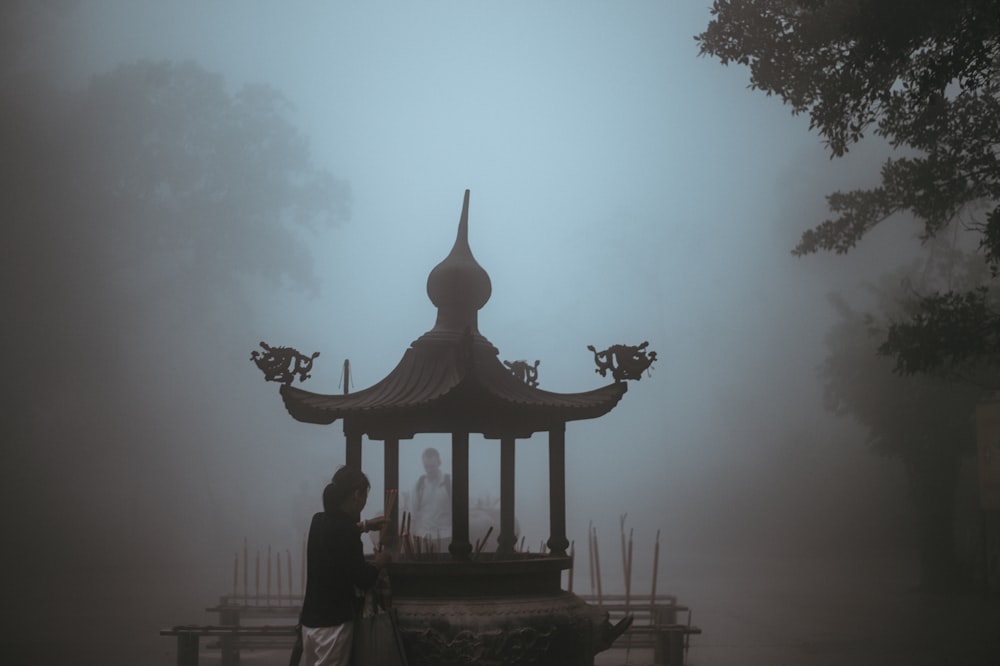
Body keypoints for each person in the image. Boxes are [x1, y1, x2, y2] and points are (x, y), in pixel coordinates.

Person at [299, 466, 390, 666]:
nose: (364, 502)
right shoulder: (345, 531)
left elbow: (337, 533)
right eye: (365, 495)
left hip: (310, 621)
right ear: (356, 494)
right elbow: (362, 578)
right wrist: (379, 563)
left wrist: (364, 525)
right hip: (333, 624)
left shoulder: (318, 521)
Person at [409, 447, 451, 552]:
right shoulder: (419, 486)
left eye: (432, 466)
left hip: (445, 536)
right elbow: (412, 515)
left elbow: (459, 510)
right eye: (426, 467)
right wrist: (411, 538)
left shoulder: (449, 483)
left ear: (439, 463)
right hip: (423, 537)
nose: (429, 470)